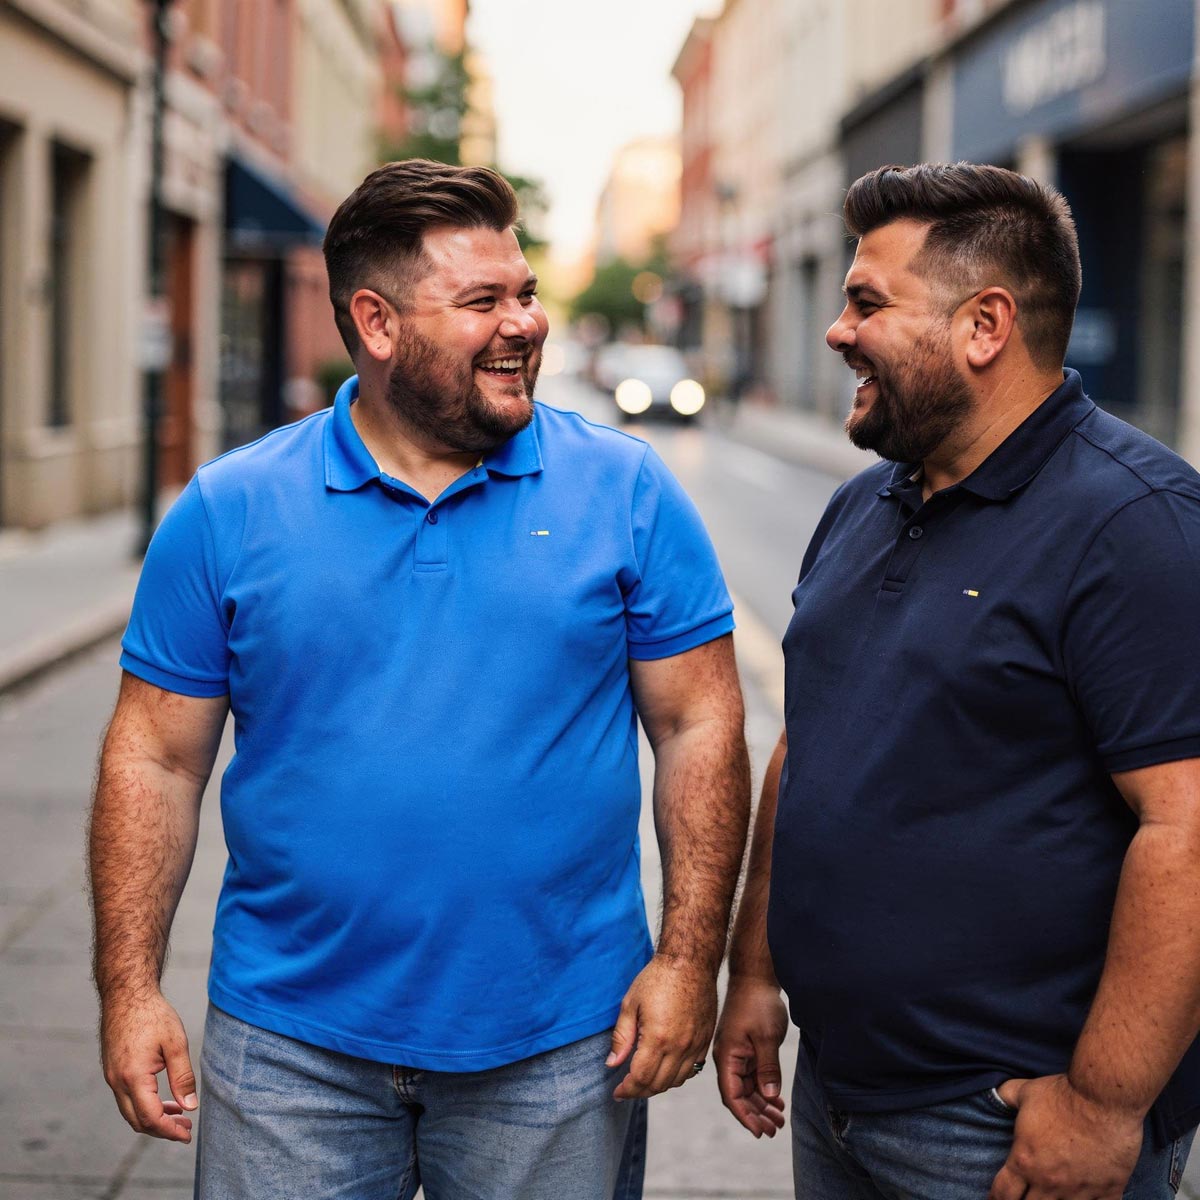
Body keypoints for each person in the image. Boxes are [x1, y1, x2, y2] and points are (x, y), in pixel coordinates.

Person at [89, 159, 751, 1200]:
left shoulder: (627, 491)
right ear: (378, 322)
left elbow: (700, 727)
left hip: (559, 1042)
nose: (525, 323)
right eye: (483, 301)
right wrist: (128, 990)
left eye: (526, 292)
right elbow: (154, 759)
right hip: (288, 1048)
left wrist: (686, 962)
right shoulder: (230, 508)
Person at [714, 161, 1200, 1200]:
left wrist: (1104, 1104)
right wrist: (754, 971)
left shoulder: (1138, 524)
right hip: (839, 1094)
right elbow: (810, 746)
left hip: (1003, 1124)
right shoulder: (863, 505)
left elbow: (1189, 830)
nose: (837, 331)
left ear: (985, 326)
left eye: (866, 304)